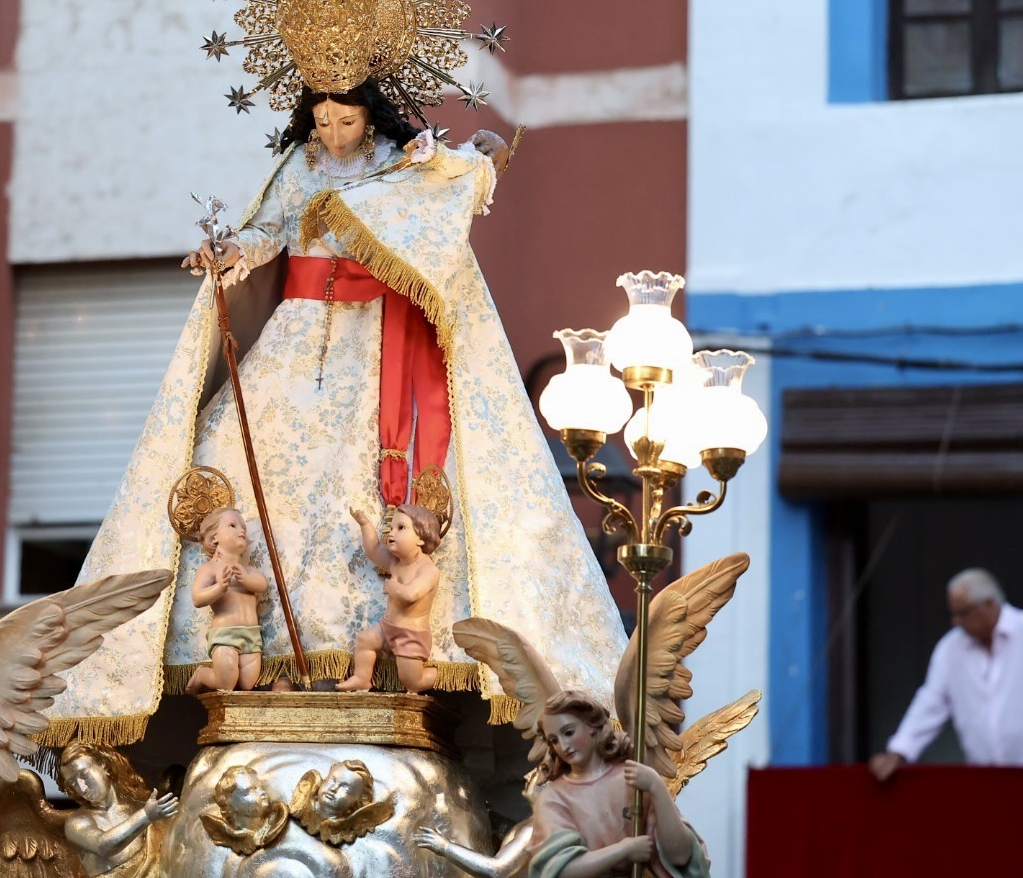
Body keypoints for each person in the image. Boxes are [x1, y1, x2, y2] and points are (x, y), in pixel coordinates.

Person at [49, 80, 628, 738]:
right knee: (235, 450)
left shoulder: (401, 159)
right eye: (321, 119)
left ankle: (366, 649)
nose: (332, 133)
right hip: (296, 335)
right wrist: (232, 252)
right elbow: (268, 229)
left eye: (345, 120)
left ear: (367, 114)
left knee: (352, 486)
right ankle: (265, 650)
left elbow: (459, 183)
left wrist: (475, 157)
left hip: (374, 344)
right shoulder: (298, 165)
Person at [869, 568, 1023, 782]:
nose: (955, 621)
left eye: (963, 613)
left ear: (988, 604)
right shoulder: (950, 648)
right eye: (954, 614)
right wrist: (900, 751)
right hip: (984, 779)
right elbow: (930, 704)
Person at [528, 691, 707, 878]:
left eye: (569, 732)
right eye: (554, 740)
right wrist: (625, 849)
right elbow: (560, 870)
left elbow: (680, 856)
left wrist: (656, 787)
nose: (563, 746)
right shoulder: (553, 799)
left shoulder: (633, 780)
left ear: (592, 726)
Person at [337, 503, 442, 693]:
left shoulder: (428, 570)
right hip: (387, 626)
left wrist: (393, 586)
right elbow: (374, 550)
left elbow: (412, 594)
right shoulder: (396, 563)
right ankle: (362, 678)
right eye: (392, 528)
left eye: (401, 528)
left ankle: (442, 674)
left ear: (421, 537)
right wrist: (365, 524)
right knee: (365, 640)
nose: (391, 533)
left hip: (411, 634)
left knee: (411, 682)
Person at [56, 743, 180, 877]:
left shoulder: (141, 807)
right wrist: (146, 816)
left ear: (104, 765)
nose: (82, 788)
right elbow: (102, 846)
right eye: (73, 783)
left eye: (84, 775)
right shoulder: (76, 822)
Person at [184, 506, 269, 694]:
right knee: (226, 683)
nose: (241, 531)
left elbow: (262, 585)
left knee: (247, 684)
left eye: (243, 529)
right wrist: (219, 588)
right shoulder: (210, 569)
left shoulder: (248, 571)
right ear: (215, 537)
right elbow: (198, 598)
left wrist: (246, 580)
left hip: (251, 635)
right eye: (232, 525)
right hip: (225, 635)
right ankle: (202, 675)